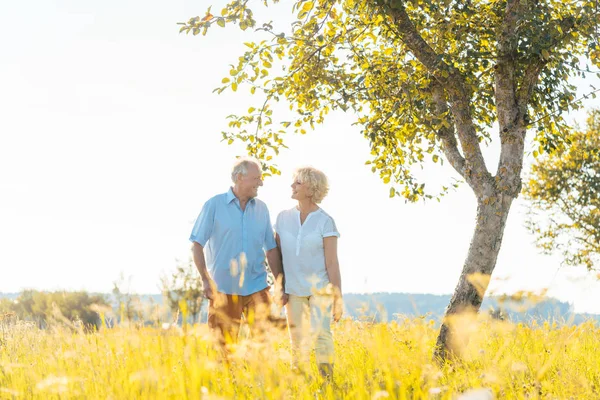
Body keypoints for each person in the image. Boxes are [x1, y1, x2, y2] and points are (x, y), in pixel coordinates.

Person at [189, 157, 283, 353]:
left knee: (263, 348)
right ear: (240, 177)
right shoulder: (214, 205)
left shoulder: (262, 209)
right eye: (257, 178)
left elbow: (271, 249)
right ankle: (227, 383)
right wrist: (206, 280)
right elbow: (196, 244)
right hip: (224, 289)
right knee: (223, 350)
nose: (261, 183)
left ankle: (258, 383)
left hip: (257, 287)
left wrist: (279, 283)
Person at [274, 166, 342, 379]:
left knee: (322, 335)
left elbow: (332, 262)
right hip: (293, 289)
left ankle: (327, 382)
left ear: (311, 189)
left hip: (319, 288)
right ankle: (300, 382)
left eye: (298, 183)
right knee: (297, 338)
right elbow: (277, 255)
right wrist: (280, 287)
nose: (292, 186)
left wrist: (337, 297)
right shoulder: (283, 218)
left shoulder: (325, 221)